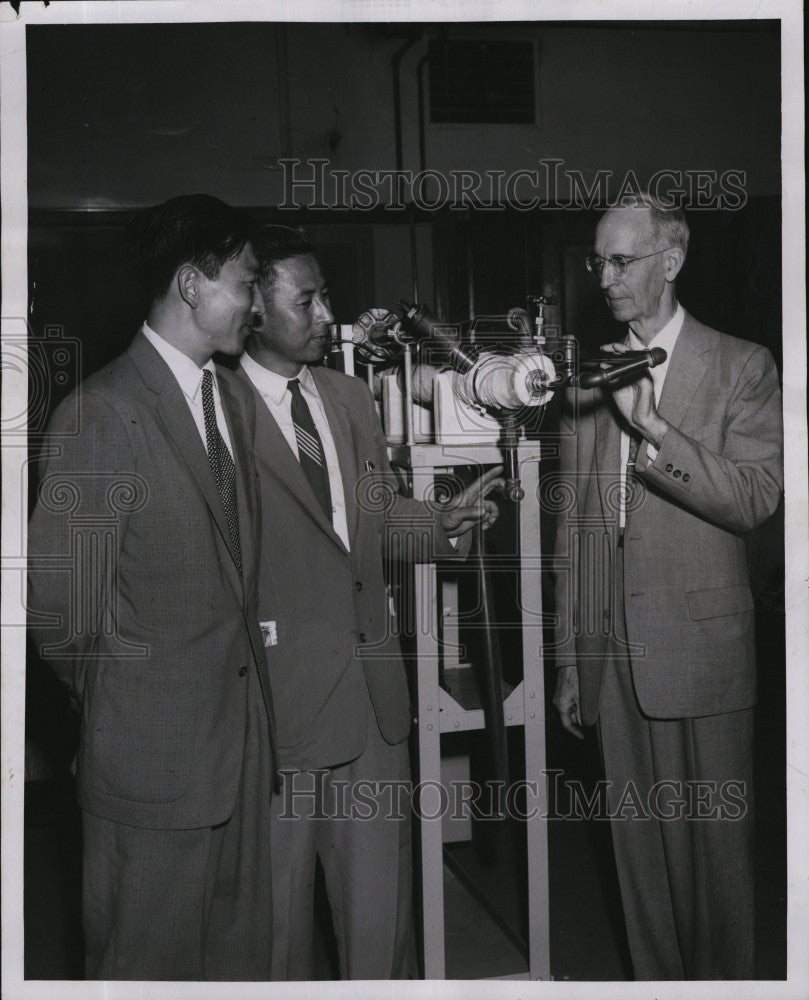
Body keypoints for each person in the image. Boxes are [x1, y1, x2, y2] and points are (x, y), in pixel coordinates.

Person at [237, 225, 502, 980]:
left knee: (378, 925)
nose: (329, 313)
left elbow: (371, 520)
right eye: (308, 298)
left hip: (372, 704)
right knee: (273, 929)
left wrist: (439, 523)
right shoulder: (213, 411)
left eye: (326, 295)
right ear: (252, 306)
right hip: (276, 714)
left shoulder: (346, 397)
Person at [27, 194, 277, 981]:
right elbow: (62, 613)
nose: (259, 306)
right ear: (192, 285)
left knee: (236, 969)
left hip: (238, 753)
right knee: (146, 971)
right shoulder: (101, 414)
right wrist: (128, 713)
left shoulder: (229, 399)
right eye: (247, 282)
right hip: (149, 764)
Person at [551, 197, 783, 980]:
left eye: (621, 261)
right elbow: (574, 531)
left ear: (670, 262)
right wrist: (567, 659)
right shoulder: (587, 373)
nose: (604, 278)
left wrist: (655, 432)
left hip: (702, 651)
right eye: (598, 262)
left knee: (714, 871)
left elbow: (753, 498)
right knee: (637, 865)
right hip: (609, 655)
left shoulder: (741, 365)